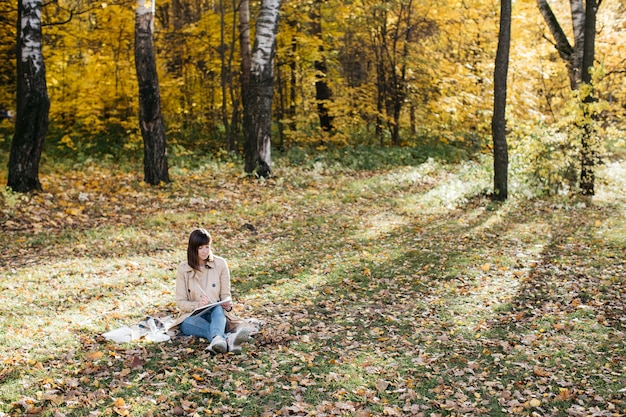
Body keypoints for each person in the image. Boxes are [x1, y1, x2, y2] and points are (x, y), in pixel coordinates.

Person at [170, 228, 250, 354]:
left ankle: (218, 339)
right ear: (193, 248)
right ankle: (227, 338)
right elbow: (180, 302)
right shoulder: (183, 269)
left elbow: (225, 295)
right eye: (200, 248)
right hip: (192, 315)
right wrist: (197, 305)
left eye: (207, 247)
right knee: (186, 324)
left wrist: (228, 305)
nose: (204, 251)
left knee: (217, 308)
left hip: (216, 314)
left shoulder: (220, 264)